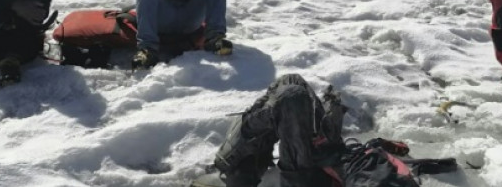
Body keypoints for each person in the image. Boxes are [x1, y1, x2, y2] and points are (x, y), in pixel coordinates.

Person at [191, 74, 456, 187]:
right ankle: (243, 160)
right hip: (326, 155)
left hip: (303, 178)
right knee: (291, 82)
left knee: (291, 95)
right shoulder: (383, 163)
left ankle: (236, 162)